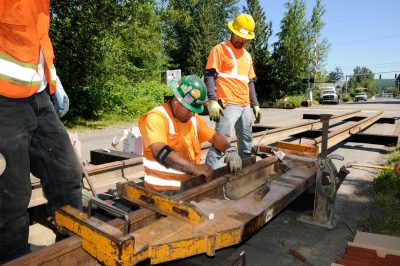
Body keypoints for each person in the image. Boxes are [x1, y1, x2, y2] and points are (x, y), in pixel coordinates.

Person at [0, 1, 82, 262]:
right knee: (11, 193)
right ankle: (13, 257)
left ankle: (68, 248)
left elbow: (37, 41)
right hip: (4, 100)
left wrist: (53, 81)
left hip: (39, 96)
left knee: (67, 173)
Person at [138, 75, 242, 194]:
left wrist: (230, 150)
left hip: (188, 187)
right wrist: (194, 168)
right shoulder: (156, 118)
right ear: (176, 100)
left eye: (194, 110)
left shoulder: (192, 119)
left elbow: (214, 137)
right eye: (190, 109)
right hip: (161, 192)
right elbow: (159, 151)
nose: (192, 114)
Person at [204, 13, 262, 170]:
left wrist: (255, 104)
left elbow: (249, 81)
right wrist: (213, 100)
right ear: (232, 31)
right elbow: (209, 75)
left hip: (245, 106)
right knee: (221, 142)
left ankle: (245, 173)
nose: (242, 40)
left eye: (245, 38)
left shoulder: (248, 56)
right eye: (239, 36)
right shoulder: (219, 49)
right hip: (228, 104)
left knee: (246, 143)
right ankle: (209, 176)